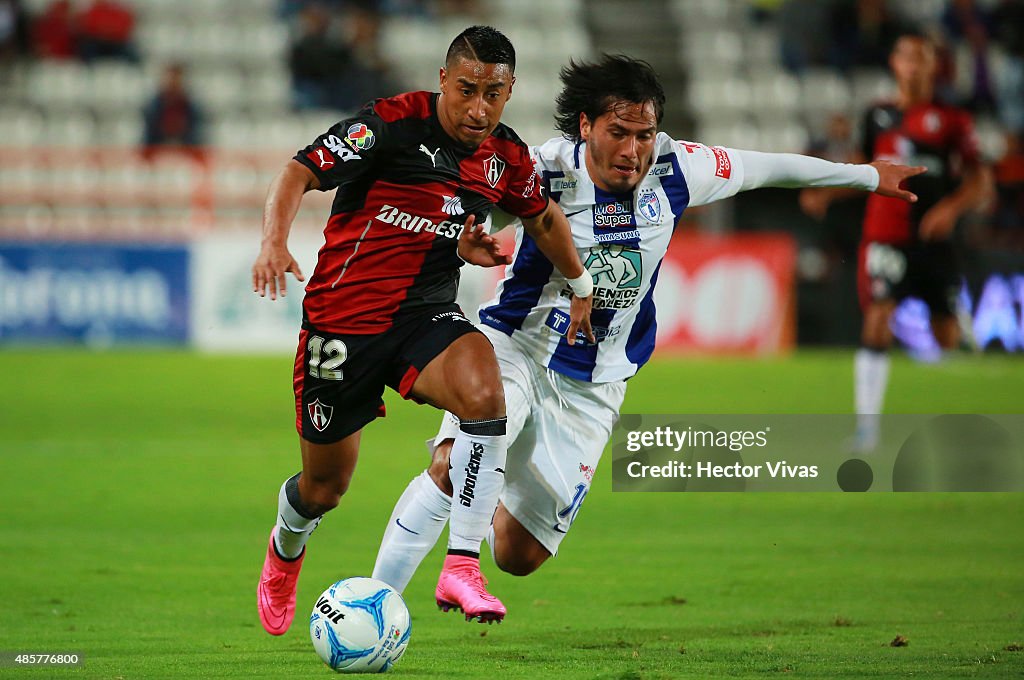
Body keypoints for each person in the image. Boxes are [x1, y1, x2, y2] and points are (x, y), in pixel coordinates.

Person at [370, 54, 925, 592]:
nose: (634, 151)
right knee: (451, 465)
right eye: (619, 133)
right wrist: (468, 235)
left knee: (519, 555)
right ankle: (376, 601)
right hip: (516, 347)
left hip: (597, 382)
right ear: (586, 126)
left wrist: (867, 176)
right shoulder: (540, 170)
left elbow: (769, 168)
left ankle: (488, 482)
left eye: (644, 134)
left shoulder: (678, 168)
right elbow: (462, 212)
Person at [251, 25, 592, 633]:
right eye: (467, 90)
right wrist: (274, 240)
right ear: (442, 80)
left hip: (422, 317)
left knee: (487, 396)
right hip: (341, 324)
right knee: (325, 488)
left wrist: (582, 285)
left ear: (510, 92)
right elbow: (298, 170)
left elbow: (542, 218)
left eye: (494, 94)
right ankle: (286, 547)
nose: (478, 109)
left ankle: (461, 564)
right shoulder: (389, 124)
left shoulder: (505, 157)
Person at [801, 33, 992, 452]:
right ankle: (867, 430)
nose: (913, 65)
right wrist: (827, 190)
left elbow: (980, 179)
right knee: (877, 317)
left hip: (932, 241)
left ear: (932, 67)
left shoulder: (953, 121)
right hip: (885, 237)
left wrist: (950, 210)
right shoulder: (877, 116)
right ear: (894, 63)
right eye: (906, 56)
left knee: (944, 339)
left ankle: (956, 331)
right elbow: (864, 170)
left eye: (922, 58)